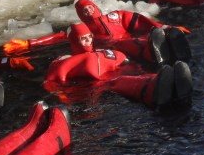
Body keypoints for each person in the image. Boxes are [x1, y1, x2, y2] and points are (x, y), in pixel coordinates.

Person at [22, 24, 193, 111]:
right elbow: (51, 82)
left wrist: (139, 69)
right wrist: (63, 98)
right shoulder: (64, 60)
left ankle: (153, 56)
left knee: (124, 60)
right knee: (117, 82)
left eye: (89, 36)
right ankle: (155, 89)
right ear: (73, 40)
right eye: (83, 38)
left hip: (117, 73)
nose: (88, 40)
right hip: (98, 87)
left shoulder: (104, 52)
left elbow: (127, 63)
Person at [3, 0, 192, 66]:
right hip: (112, 48)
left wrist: (166, 27)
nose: (87, 11)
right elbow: (58, 37)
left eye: (89, 7)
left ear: (95, 7)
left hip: (125, 40)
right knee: (129, 46)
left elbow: (141, 22)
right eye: (83, 11)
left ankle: (168, 43)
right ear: (80, 15)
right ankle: (157, 53)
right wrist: (29, 43)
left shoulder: (117, 15)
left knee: (137, 41)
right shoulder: (83, 29)